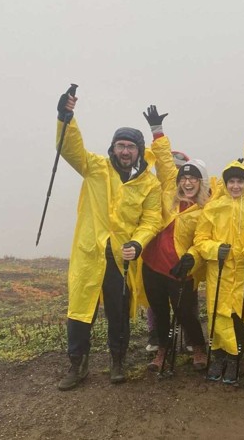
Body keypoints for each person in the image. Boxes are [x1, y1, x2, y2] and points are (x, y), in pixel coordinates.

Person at [55, 90, 162, 391]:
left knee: (118, 311)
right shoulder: (95, 168)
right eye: (120, 145)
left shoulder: (149, 183)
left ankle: (118, 361)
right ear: (112, 148)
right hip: (90, 253)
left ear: (139, 150)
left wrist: (139, 242)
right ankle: (77, 365)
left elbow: (151, 219)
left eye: (130, 146)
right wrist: (66, 118)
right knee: (80, 311)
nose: (124, 151)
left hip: (122, 256)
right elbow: (71, 149)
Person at [139, 105, 209, 373]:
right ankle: (162, 353)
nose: (188, 182)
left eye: (193, 178)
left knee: (186, 314)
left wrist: (191, 258)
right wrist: (157, 131)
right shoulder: (168, 191)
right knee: (159, 312)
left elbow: (202, 240)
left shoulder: (204, 209)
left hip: (181, 270)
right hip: (152, 265)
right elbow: (166, 162)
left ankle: (198, 348)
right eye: (184, 177)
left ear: (199, 183)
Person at [193, 161, 244, 385]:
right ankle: (219, 357)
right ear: (226, 183)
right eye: (232, 181)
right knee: (218, 314)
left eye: (240, 181)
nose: (236, 186)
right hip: (218, 272)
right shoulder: (213, 208)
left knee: (240, 315)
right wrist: (215, 249)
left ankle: (235, 358)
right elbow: (200, 239)